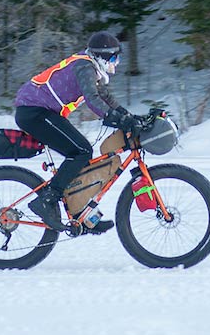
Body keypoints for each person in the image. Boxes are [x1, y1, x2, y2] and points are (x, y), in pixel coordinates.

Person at [14, 31, 141, 234]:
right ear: (103, 56)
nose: (117, 63)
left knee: (81, 154)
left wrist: (129, 117)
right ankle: (47, 200)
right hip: (34, 112)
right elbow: (92, 99)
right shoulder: (85, 66)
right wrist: (115, 118)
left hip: (41, 112)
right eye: (115, 58)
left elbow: (105, 97)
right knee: (81, 151)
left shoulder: (90, 67)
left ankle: (82, 215)